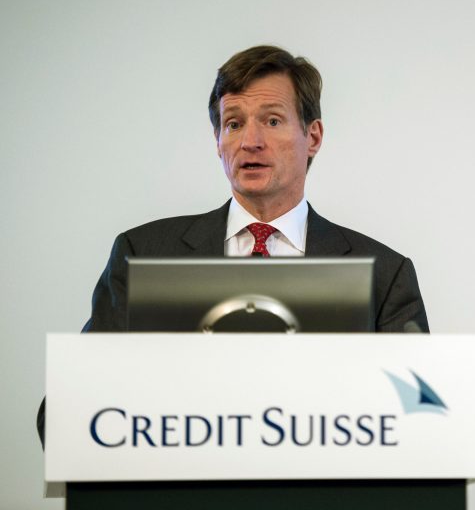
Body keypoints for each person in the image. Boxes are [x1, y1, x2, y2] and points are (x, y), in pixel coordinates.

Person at [37, 45, 428, 446]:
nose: (250, 141)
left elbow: (419, 421)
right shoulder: (143, 254)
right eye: (234, 124)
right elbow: (63, 416)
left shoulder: (383, 274)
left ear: (313, 136)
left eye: (272, 120)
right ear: (218, 140)